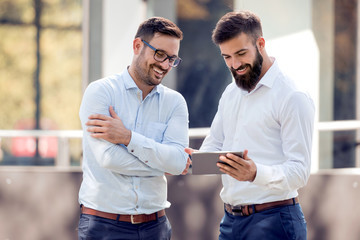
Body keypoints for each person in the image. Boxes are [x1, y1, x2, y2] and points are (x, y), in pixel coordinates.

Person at [186, 11, 315, 239]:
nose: (235, 64)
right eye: (226, 57)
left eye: (241, 53)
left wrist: (256, 173)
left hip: (275, 221)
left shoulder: (292, 96)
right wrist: (193, 160)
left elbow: (300, 172)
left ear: (261, 44)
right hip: (230, 221)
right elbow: (214, 144)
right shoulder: (230, 93)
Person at [78, 17, 191, 240]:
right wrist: (164, 164)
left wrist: (127, 138)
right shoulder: (101, 93)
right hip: (103, 226)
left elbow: (178, 162)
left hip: (155, 226)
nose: (165, 65)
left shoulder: (175, 102)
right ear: (137, 46)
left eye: (172, 59)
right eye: (160, 54)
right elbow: (109, 158)